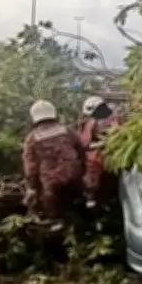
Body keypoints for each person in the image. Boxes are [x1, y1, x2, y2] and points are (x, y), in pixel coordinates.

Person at [23, 99, 86, 231]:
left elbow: (31, 167)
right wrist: (83, 169)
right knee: (80, 197)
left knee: (47, 196)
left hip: (52, 182)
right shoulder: (67, 130)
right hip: (75, 174)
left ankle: (55, 220)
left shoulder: (32, 138)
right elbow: (80, 149)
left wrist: (32, 187)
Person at [79, 96, 121, 208]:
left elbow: (85, 144)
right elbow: (86, 144)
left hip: (110, 154)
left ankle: (92, 196)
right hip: (104, 153)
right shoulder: (93, 123)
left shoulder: (112, 119)